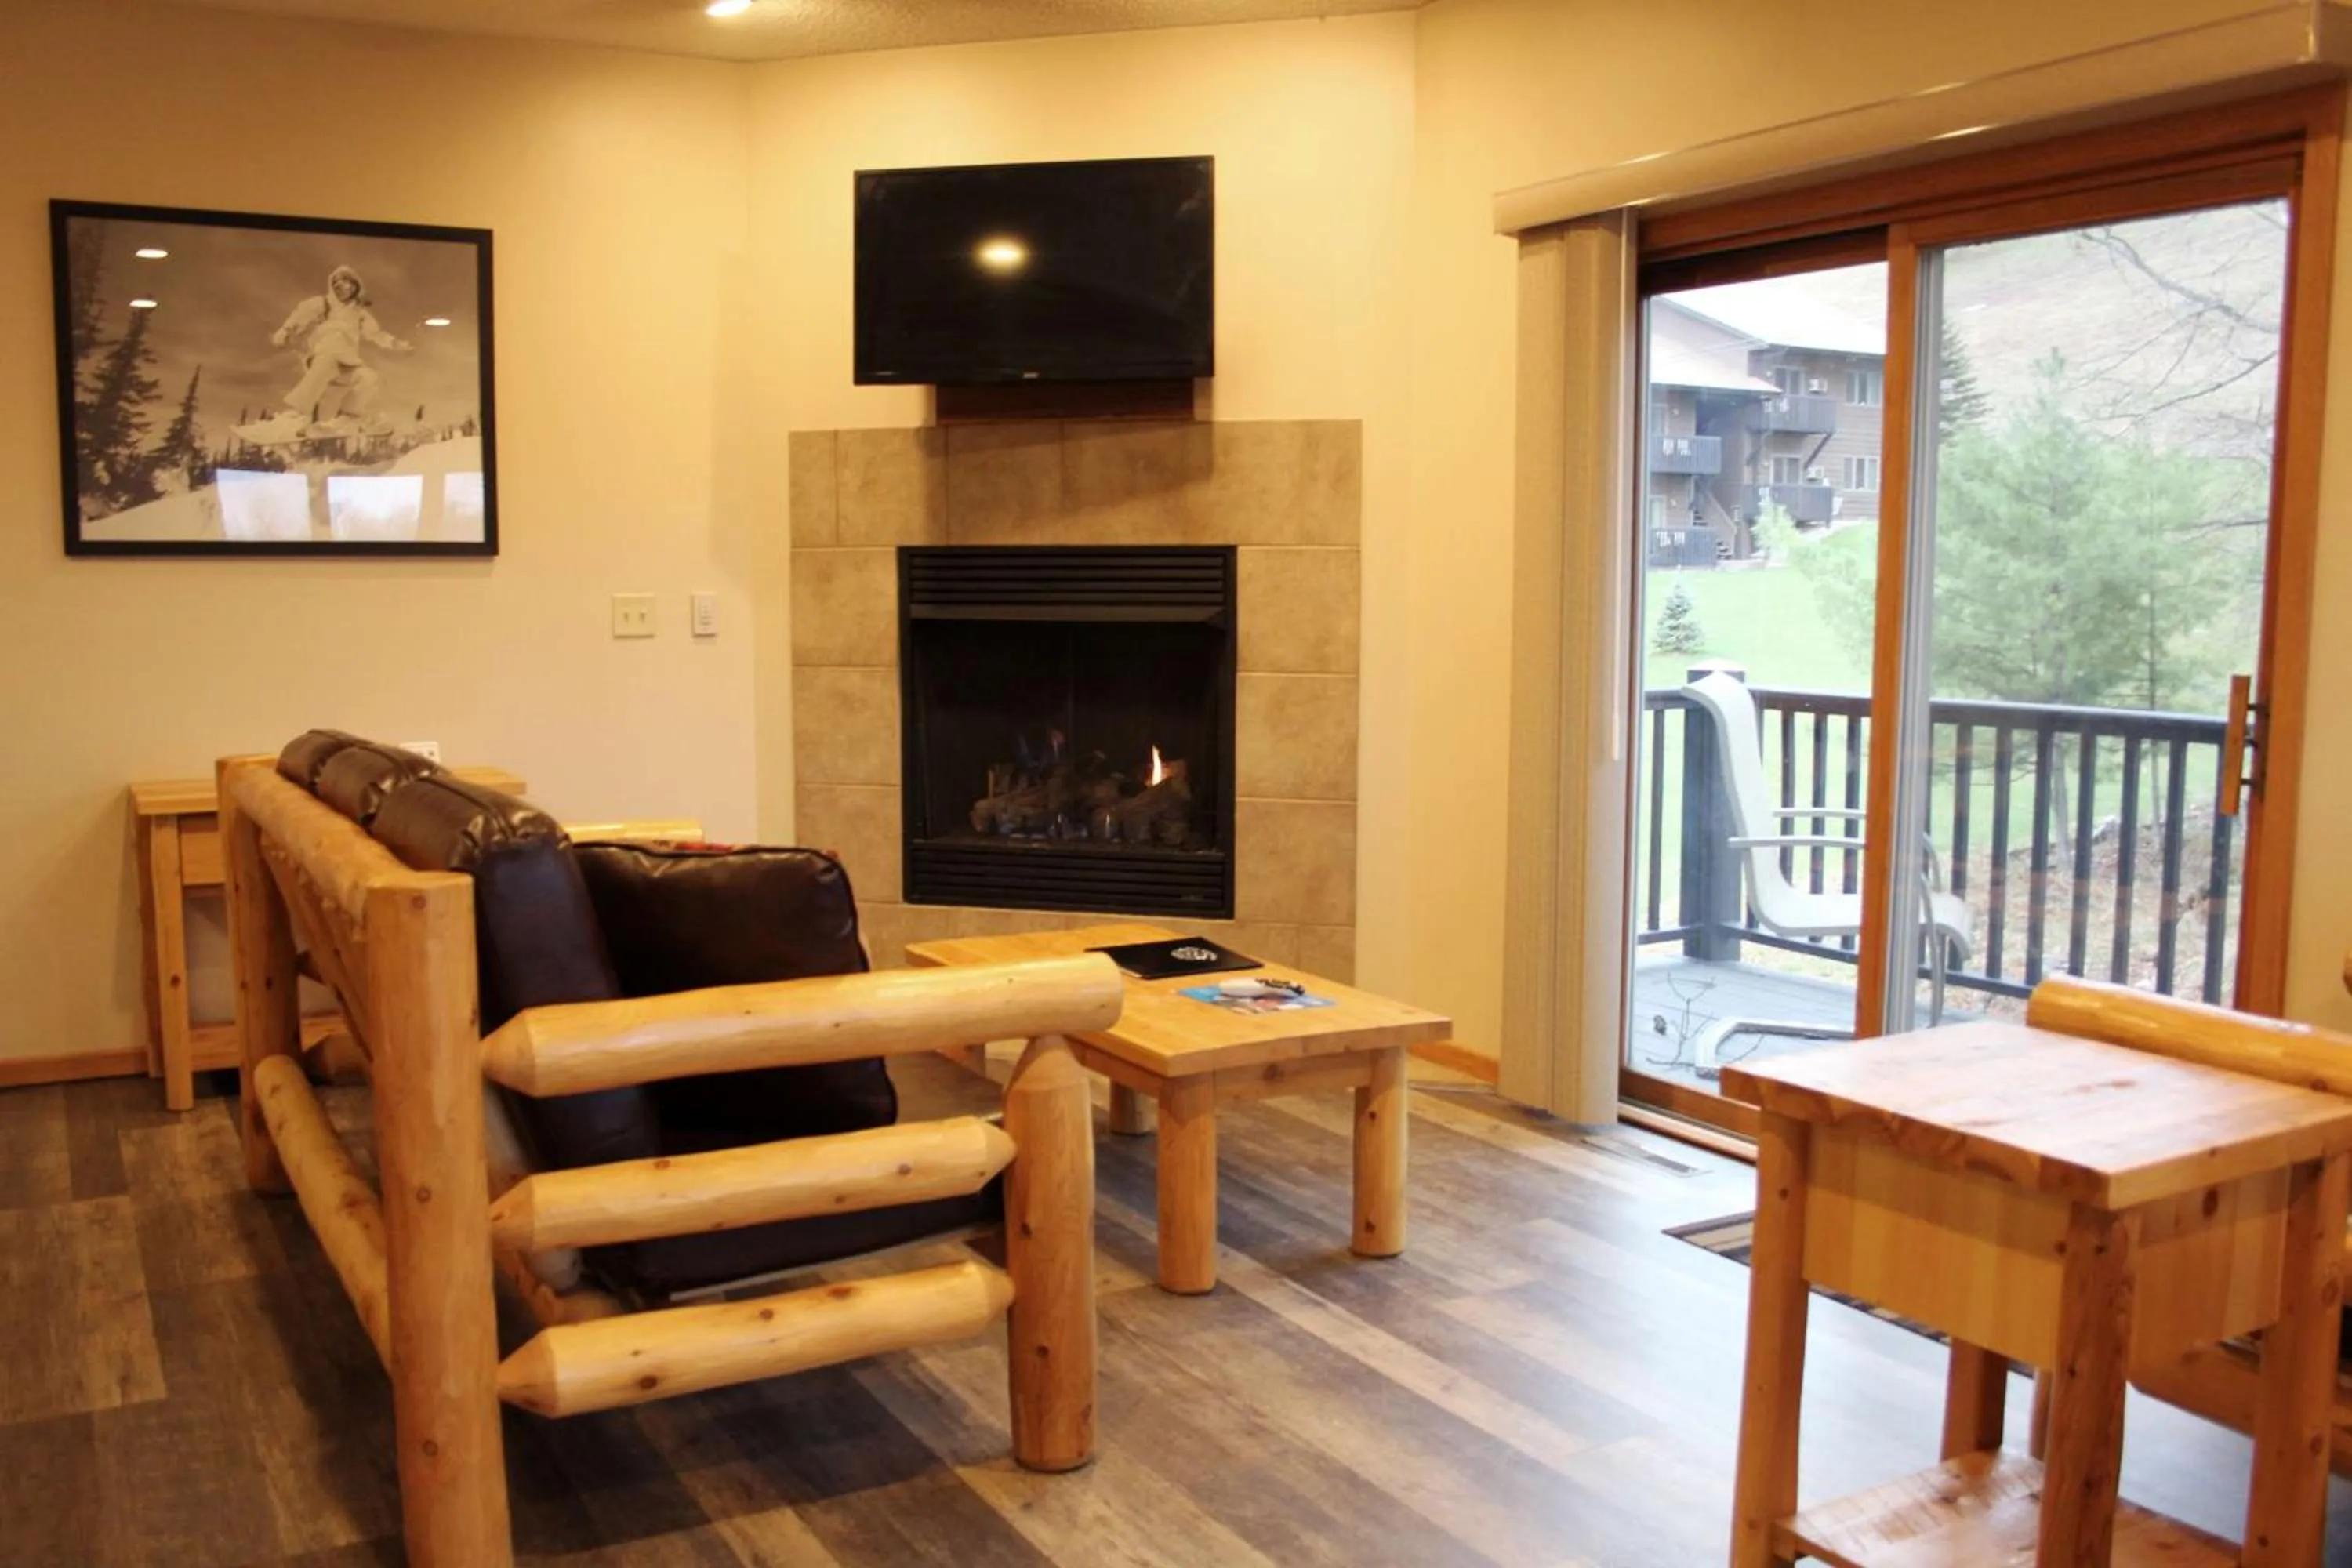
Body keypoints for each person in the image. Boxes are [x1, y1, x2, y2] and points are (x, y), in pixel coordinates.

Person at [245, 265, 411, 441]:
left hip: (347, 364)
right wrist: (285, 331)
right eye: (336, 285)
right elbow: (299, 316)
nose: (340, 289)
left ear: (354, 288)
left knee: (369, 377)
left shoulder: (359, 314)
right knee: (327, 362)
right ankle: (298, 414)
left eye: (345, 285)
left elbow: (376, 334)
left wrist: (396, 344)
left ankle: (348, 417)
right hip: (321, 357)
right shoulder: (322, 305)